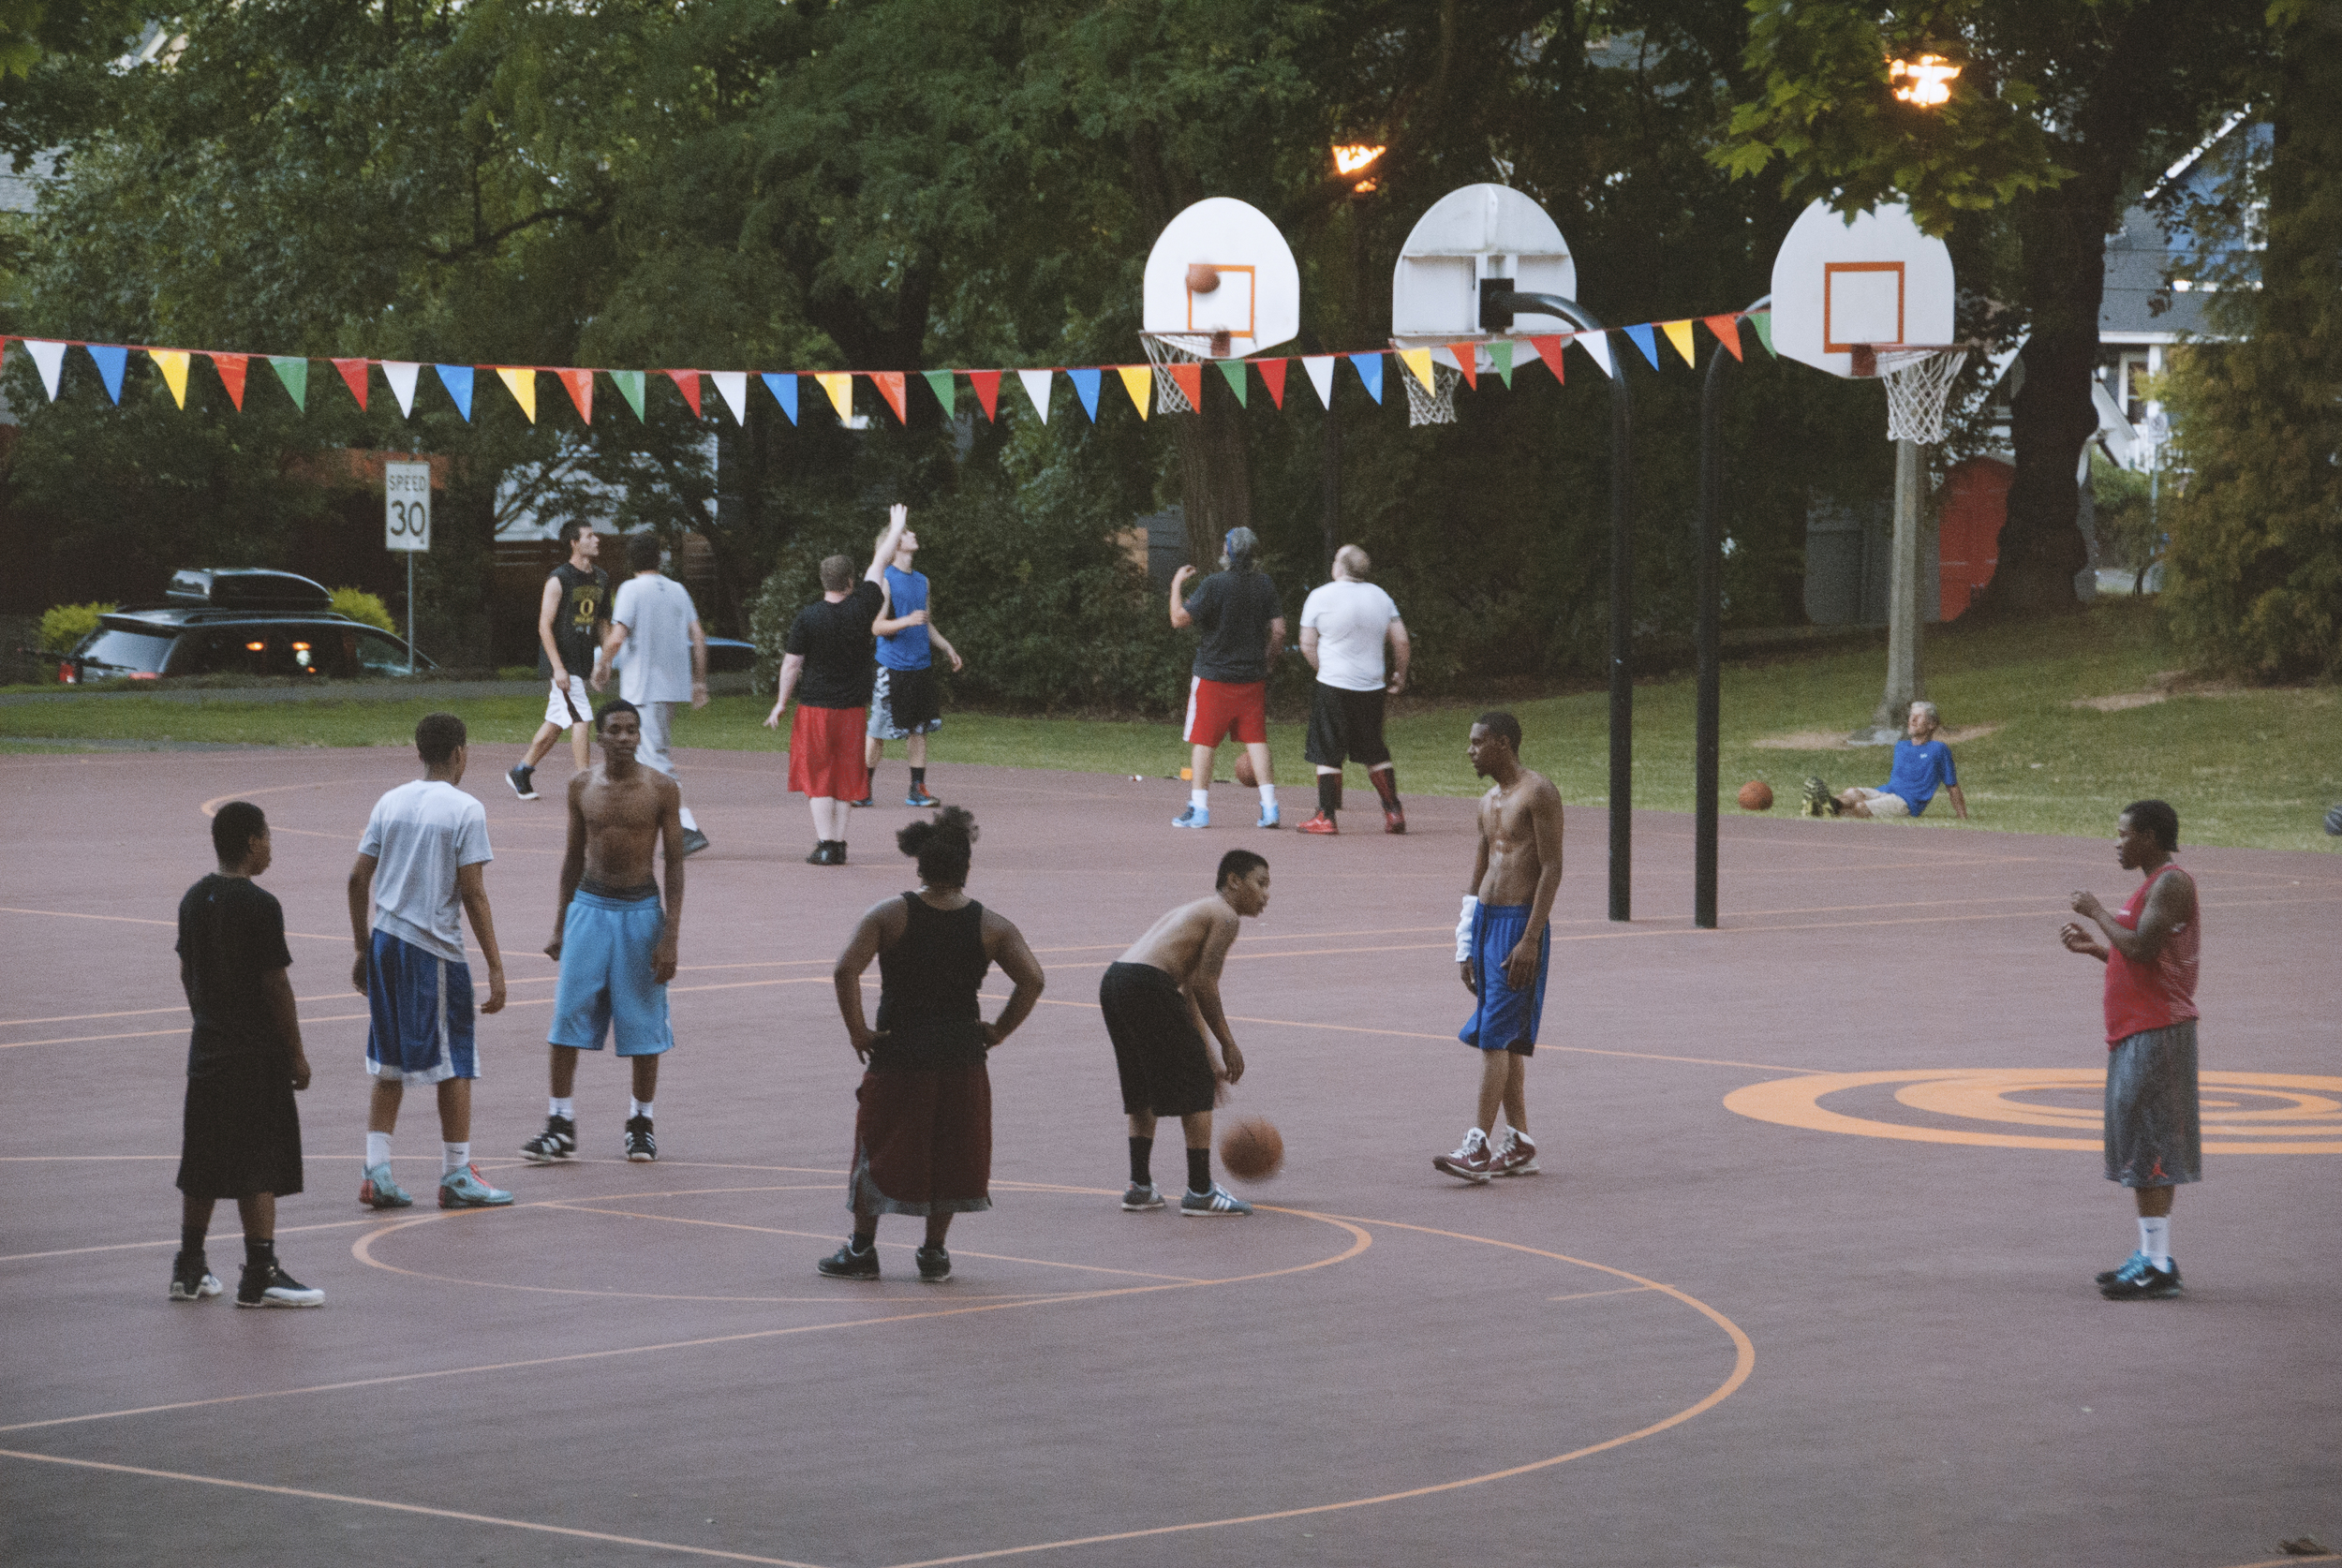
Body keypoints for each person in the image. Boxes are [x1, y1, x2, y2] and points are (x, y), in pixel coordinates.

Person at [817, 807, 1045, 1280]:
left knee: (876, 1145)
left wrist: (858, 1031)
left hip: (900, 1052)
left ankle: (862, 1248)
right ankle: (934, 1252)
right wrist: (999, 1029)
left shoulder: (889, 914)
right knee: (954, 1148)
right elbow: (1033, 980)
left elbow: (845, 971)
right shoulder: (992, 926)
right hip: (961, 1055)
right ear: (966, 867)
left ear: (920, 864)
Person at [348, 713, 513, 1212]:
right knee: (454, 1061)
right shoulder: (465, 808)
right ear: (460, 753)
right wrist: (496, 967)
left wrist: (362, 949)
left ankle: (376, 1170)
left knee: (390, 1060)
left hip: (384, 943)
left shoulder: (390, 801)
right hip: (432, 949)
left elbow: (358, 880)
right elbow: (473, 893)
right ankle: (457, 1172)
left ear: (418, 752)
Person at [172, 800, 323, 1308]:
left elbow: (187, 971)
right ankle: (260, 1269)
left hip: (208, 1045)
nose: (271, 848)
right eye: (269, 838)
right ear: (253, 843)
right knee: (256, 1155)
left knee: (204, 1153)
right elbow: (275, 984)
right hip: (253, 1051)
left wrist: (205, 1016)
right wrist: (296, 1053)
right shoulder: (261, 905)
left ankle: (189, 1266)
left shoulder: (194, 898)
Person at [524, 698, 687, 1164]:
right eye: (614, 730)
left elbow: (674, 865)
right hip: (589, 909)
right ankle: (560, 1123)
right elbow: (573, 857)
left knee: (643, 1022)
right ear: (598, 737)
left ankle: (641, 1122)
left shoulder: (661, 789)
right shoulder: (581, 786)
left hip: (640, 911)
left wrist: (670, 934)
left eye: (631, 730)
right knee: (566, 1015)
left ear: (640, 736)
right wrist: (560, 924)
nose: (624, 738)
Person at [2059, 799, 2201, 1300]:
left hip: (2158, 1031)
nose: (2116, 842)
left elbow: (2141, 947)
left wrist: (2096, 912)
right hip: (2135, 1030)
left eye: (2124, 834)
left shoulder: (2172, 883)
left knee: (2154, 1141)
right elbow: (2138, 957)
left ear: (2151, 836)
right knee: (2140, 1142)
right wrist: (2096, 949)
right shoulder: (2151, 884)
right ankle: (2151, 1254)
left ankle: (2158, 1265)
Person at [1099, 849, 1272, 1217]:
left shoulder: (1199, 910)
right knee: (1196, 1089)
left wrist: (1207, 1055)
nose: (1266, 895)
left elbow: (1189, 990)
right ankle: (1200, 1191)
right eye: (1261, 883)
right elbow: (1206, 985)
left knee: (1142, 1086)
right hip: (1148, 984)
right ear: (1234, 881)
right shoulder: (1225, 916)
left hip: (1117, 980)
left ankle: (1140, 1186)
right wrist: (1228, 1044)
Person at [1436, 712, 1564, 1184]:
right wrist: (1465, 941)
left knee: (1493, 1035)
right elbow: (1480, 867)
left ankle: (1478, 1146)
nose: (1469, 750)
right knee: (1503, 1035)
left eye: (1477, 742)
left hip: (1518, 924)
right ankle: (1520, 1142)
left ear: (1503, 744)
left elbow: (1552, 867)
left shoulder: (1539, 792)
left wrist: (1531, 937)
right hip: (1488, 922)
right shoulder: (1486, 801)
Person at [763, 505, 911, 865]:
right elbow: (880, 562)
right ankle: (840, 843)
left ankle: (825, 842)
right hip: (852, 708)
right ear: (850, 582)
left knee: (817, 775)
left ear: (823, 581)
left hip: (815, 706)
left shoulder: (808, 617)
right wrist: (895, 527)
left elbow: (792, 664)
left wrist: (781, 702)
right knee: (846, 773)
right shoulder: (864, 606)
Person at [595, 533, 711, 856]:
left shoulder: (632, 590)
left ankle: (687, 826)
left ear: (631, 561)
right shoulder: (678, 589)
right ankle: (639, 822)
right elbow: (698, 636)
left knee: (654, 759)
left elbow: (618, 636)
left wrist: (603, 664)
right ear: (659, 558)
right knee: (643, 756)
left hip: (644, 686)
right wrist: (699, 680)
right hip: (672, 685)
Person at [1169, 525, 1284, 831]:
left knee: (1204, 742)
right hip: (1251, 677)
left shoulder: (1214, 584)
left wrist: (1176, 583)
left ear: (1227, 552)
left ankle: (1200, 810)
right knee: (1257, 739)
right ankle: (1270, 808)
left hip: (1214, 676)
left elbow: (1178, 619)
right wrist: (1268, 662)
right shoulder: (1265, 585)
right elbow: (1279, 630)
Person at [1296, 544, 1411, 835]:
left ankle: (1326, 815)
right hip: (1371, 686)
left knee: (1327, 750)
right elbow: (1401, 641)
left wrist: (1322, 668)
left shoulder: (1320, 596)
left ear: (1340, 568)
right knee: (1374, 748)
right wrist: (1400, 674)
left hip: (1333, 683)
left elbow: (1307, 643)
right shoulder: (1381, 597)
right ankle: (1393, 810)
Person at [856, 519, 964, 810]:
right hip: (891, 668)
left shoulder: (922, 580)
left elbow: (926, 624)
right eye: (906, 532)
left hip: (920, 667)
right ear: (894, 544)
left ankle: (917, 788)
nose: (914, 533)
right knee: (877, 730)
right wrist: (906, 620)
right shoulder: (886, 580)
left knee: (919, 729)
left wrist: (946, 647)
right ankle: (862, 788)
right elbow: (876, 627)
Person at [507, 519, 609, 803]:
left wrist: (606, 661)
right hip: (564, 664)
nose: (596, 540)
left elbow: (602, 622)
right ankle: (584, 783)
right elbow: (544, 625)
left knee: (555, 723)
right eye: (590, 536)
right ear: (574, 543)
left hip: (584, 661)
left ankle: (521, 770)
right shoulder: (559, 578)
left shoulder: (601, 578)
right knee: (582, 718)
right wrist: (558, 666)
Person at [1803, 702, 1969, 821]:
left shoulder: (1938, 749)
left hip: (1907, 803)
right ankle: (1828, 803)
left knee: (1861, 807)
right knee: (1852, 793)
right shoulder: (1901, 747)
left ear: (1932, 724)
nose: (1912, 721)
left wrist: (1962, 816)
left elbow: (1952, 786)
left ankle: (1827, 809)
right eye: (1911, 716)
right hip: (1887, 792)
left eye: (1918, 717)